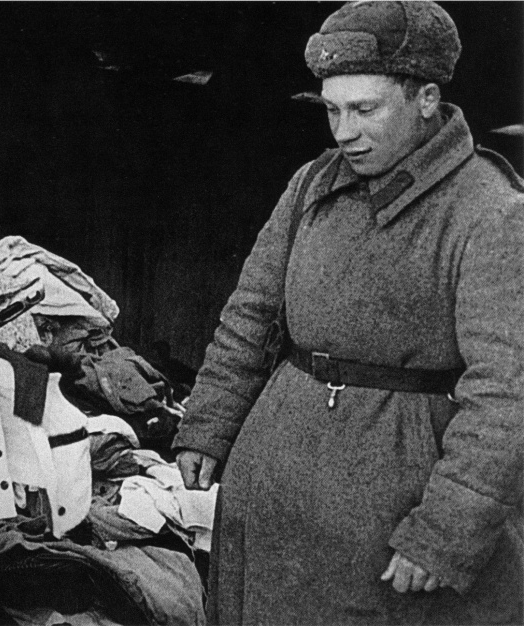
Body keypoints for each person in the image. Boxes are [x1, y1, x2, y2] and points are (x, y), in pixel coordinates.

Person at [174, 2, 523, 624]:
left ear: (426, 99)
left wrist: (446, 530)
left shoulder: (489, 210)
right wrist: (209, 423)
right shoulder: (312, 184)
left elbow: (507, 392)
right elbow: (251, 314)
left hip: (395, 501)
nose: (344, 132)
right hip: (272, 483)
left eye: (365, 109)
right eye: (332, 110)